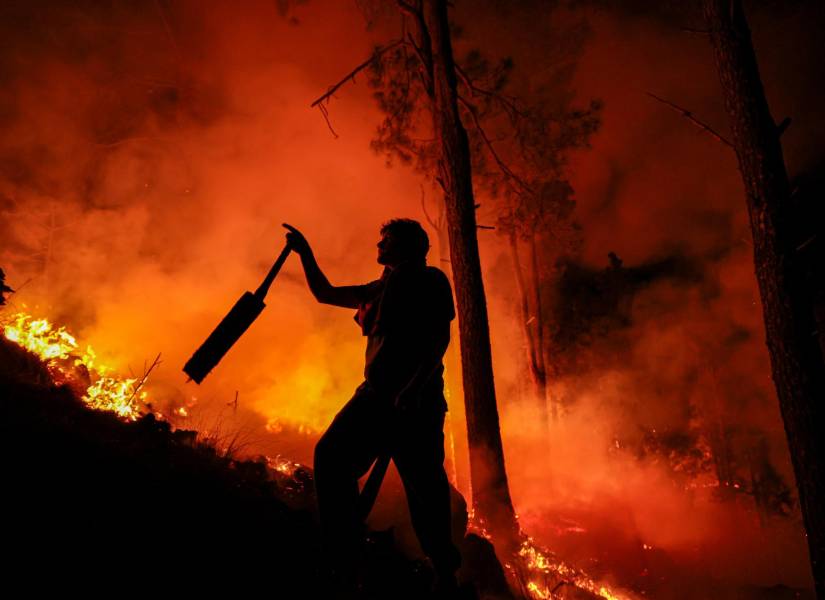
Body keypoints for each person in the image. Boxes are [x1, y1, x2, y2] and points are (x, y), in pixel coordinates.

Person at [283, 220, 461, 596]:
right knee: (330, 457)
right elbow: (325, 293)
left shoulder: (431, 281)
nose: (378, 245)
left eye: (387, 240)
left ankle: (444, 573)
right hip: (376, 396)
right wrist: (305, 252)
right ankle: (344, 554)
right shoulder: (380, 289)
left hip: (418, 404)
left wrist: (413, 388)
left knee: (425, 491)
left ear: (410, 247)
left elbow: (437, 340)